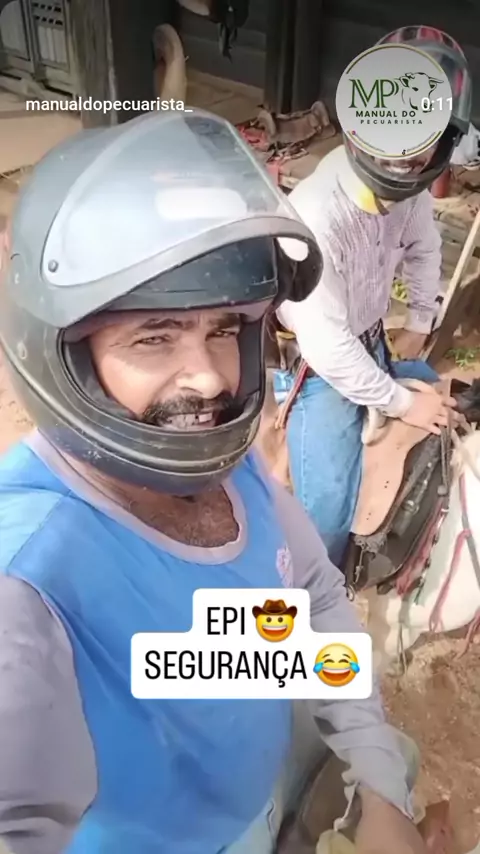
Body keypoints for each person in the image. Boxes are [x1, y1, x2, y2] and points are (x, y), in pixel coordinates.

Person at [0, 108, 427, 854]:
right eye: (155, 337)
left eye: (223, 331)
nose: (208, 379)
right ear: (60, 352)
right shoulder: (30, 580)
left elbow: (310, 600)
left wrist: (378, 774)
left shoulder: (227, 470)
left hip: (253, 800)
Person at [273, 26, 472, 566]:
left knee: (443, 393)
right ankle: (316, 585)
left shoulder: (410, 193)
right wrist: (402, 402)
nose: (403, 154)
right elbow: (329, 347)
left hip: (370, 337)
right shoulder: (317, 216)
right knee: (326, 512)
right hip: (321, 364)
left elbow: (425, 249)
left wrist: (422, 319)